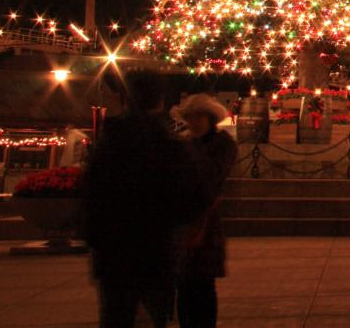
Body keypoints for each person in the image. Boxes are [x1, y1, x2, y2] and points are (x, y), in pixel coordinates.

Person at [84, 71, 205, 327]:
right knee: (156, 314)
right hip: (156, 247)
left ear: (125, 99)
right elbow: (192, 195)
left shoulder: (109, 142)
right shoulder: (169, 144)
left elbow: (91, 192)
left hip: (113, 249)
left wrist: (95, 238)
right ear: (160, 101)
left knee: (116, 315)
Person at [172, 94, 237, 328]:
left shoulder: (221, 145)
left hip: (205, 220)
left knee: (203, 283)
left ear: (210, 118)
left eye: (199, 116)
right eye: (190, 117)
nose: (194, 122)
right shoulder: (183, 144)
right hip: (181, 220)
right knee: (183, 284)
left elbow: (212, 178)